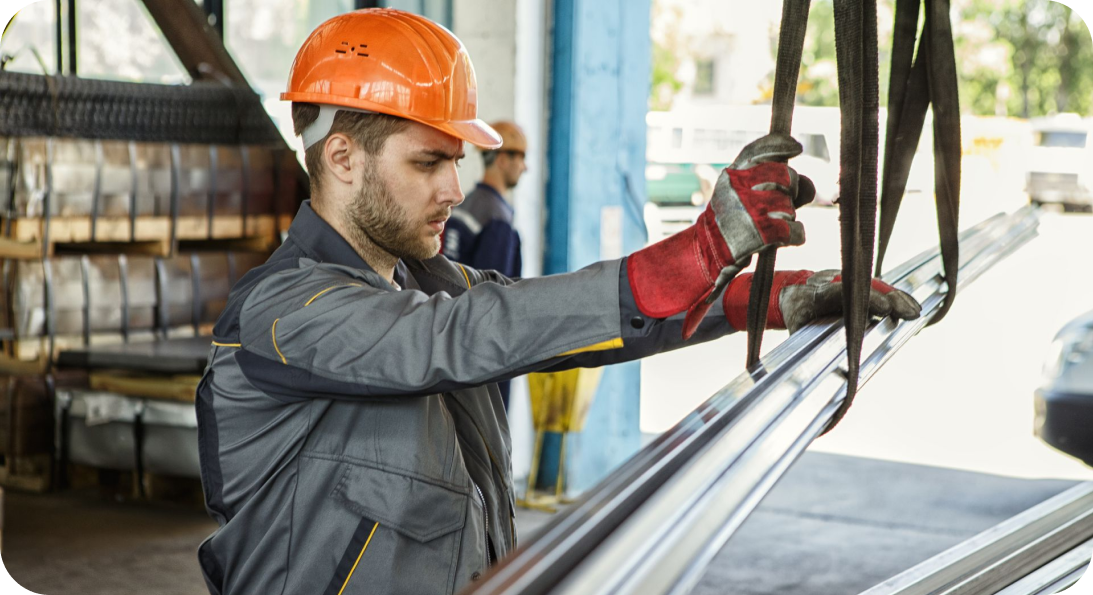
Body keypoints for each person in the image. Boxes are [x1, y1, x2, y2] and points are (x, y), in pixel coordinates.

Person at [194, 8, 921, 595]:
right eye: (427, 162)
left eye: (457, 161)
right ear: (343, 158)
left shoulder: (429, 283)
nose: (454, 190)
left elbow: (565, 326)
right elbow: (455, 337)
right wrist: (692, 251)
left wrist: (756, 301)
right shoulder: (282, 313)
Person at [442, 120, 528, 409]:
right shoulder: (497, 220)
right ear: (502, 160)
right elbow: (495, 300)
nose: (525, 168)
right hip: (484, 360)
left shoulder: (464, 207)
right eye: (521, 158)